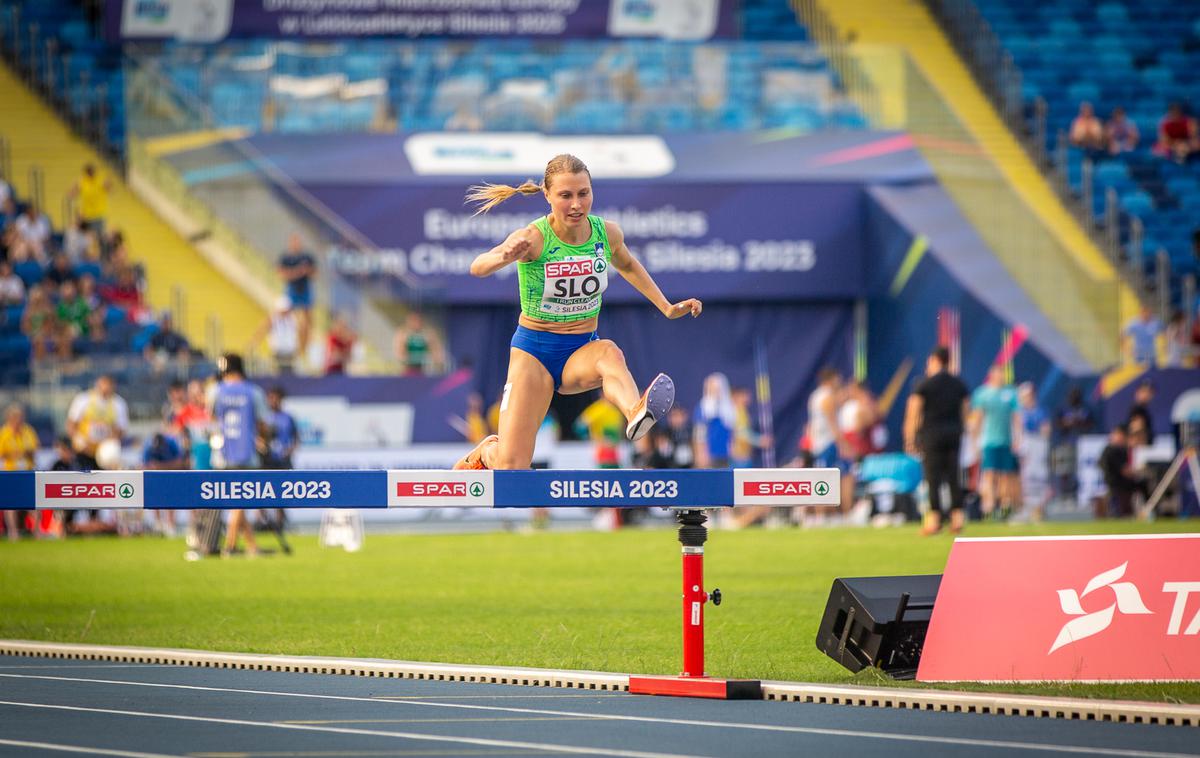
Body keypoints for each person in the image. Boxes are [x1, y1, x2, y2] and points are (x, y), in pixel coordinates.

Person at [451, 154, 701, 471]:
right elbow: (478, 266)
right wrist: (504, 256)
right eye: (565, 195)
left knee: (610, 353)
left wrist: (666, 306)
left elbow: (627, 264)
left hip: (580, 349)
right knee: (511, 469)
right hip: (534, 353)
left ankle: (636, 411)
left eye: (583, 194)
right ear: (547, 195)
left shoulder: (605, 234)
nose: (576, 205)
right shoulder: (533, 237)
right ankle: (489, 451)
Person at [904, 347, 970, 535]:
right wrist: (962, 429)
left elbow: (914, 412)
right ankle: (957, 518)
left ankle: (934, 520)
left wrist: (910, 438)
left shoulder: (924, 384)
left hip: (931, 435)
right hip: (953, 434)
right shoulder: (958, 384)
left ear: (934, 360)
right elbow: (966, 410)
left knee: (932, 477)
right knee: (953, 476)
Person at [210, 353, 269, 557]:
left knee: (236, 500)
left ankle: (252, 546)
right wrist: (263, 439)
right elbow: (263, 423)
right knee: (240, 499)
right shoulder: (254, 392)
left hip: (222, 453)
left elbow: (210, 419)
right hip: (247, 453)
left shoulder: (215, 391)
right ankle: (230, 545)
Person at [969, 364, 1021, 519]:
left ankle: (1004, 507)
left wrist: (1018, 438)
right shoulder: (982, 394)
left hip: (1006, 441)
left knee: (1006, 475)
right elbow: (977, 418)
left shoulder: (1010, 393)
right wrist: (974, 441)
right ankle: (989, 507)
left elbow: (1017, 418)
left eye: (1002, 374)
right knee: (989, 474)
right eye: (998, 373)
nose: (1001, 376)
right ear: (991, 375)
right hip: (989, 441)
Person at [807, 367, 855, 514]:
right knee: (828, 479)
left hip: (821, 443)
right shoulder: (826, 397)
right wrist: (843, 444)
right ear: (831, 379)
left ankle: (831, 513)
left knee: (836, 476)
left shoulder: (816, 396)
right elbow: (833, 423)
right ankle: (835, 513)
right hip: (827, 443)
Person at [66, 374, 128, 471]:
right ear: (98, 384)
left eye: (109, 385)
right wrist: (78, 439)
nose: (106, 388)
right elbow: (71, 424)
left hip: (103, 453)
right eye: (104, 384)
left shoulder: (119, 404)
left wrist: (110, 442)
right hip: (84, 449)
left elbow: (121, 430)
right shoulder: (83, 399)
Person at [0, 404, 39, 541]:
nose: (19, 420)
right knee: (11, 505)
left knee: (34, 503)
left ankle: (36, 532)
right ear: (10, 418)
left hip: (27, 472)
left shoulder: (28, 431)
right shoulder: (4, 434)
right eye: (16, 418)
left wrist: (26, 452)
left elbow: (35, 449)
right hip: (10, 473)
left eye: (21, 417)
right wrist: (13, 454)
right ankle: (13, 532)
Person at [1016, 383, 1052, 521]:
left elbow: (1046, 429)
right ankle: (1027, 508)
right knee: (1025, 478)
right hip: (1026, 445)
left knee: (1039, 477)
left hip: (1038, 445)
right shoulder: (1019, 412)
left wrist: (1041, 442)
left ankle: (1039, 510)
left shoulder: (1040, 411)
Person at [143, 427, 186, 537]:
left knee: (170, 498)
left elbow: (180, 463)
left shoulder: (172, 443)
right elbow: (144, 465)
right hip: (154, 476)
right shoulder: (148, 446)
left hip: (170, 474)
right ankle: (158, 524)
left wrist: (161, 466)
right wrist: (154, 468)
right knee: (154, 497)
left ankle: (170, 524)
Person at [278, 233, 315, 355]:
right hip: (292, 291)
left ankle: (305, 347)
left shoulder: (307, 257)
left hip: (304, 290)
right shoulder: (286, 258)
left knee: (307, 322)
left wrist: (306, 271)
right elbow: (282, 274)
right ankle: (295, 346)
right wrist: (297, 272)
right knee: (291, 320)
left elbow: (314, 273)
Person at [1098, 423, 1145, 518]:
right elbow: (1124, 470)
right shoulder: (1111, 450)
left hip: (1117, 483)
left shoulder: (1122, 449)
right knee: (1143, 484)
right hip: (1117, 483)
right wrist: (1138, 472)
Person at [694, 372, 736, 469]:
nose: (715, 391)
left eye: (717, 389)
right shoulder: (703, 407)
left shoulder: (729, 407)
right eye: (712, 389)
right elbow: (699, 432)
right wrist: (701, 453)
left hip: (726, 454)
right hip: (709, 453)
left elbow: (732, 430)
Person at [249, 296, 300, 374]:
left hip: (291, 353)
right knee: (277, 373)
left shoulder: (293, 319)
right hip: (278, 353)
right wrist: (254, 343)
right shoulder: (272, 319)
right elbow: (261, 331)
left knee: (290, 374)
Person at [393, 311, 445, 376]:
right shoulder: (402, 333)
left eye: (418, 320)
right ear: (408, 322)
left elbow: (436, 352)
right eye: (413, 320)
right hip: (408, 369)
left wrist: (438, 363)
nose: (416, 323)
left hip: (423, 369)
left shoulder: (428, 334)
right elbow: (400, 353)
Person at [68, 163, 114, 236]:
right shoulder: (83, 182)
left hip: (98, 215)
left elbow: (110, 190)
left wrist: (108, 183)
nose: (92, 173)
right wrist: (74, 187)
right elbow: (71, 195)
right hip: (87, 216)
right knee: (88, 239)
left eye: (93, 171)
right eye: (89, 172)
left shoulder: (100, 180)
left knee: (98, 238)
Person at [262, 386, 298, 469]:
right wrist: (262, 447)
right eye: (271, 398)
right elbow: (256, 437)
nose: (273, 401)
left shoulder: (288, 418)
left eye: (276, 398)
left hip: (284, 460)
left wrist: (289, 451)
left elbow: (296, 439)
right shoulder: (264, 417)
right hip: (267, 461)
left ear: (281, 400)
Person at [1127, 380, 1155, 448]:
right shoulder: (1137, 410)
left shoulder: (1144, 411)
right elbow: (1136, 430)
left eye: (1149, 392)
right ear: (1137, 393)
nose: (1147, 395)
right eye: (1144, 391)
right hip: (1139, 450)